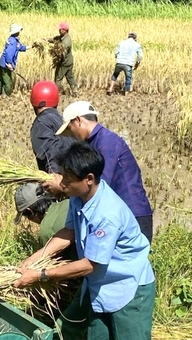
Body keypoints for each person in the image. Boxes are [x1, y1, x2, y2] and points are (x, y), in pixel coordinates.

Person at [14, 143, 161, 340]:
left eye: (68, 179)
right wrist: (37, 257)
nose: (62, 184)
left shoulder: (107, 212)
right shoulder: (79, 198)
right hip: (101, 288)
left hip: (128, 289)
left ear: (89, 179)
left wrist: (41, 275)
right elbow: (70, 231)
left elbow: (90, 264)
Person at [55, 100, 154, 242]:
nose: (71, 135)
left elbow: (98, 185)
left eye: (70, 129)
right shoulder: (94, 143)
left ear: (78, 120)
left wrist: (60, 186)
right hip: (117, 218)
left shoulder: (107, 143)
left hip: (133, 215)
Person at [0, 23, 27, 96]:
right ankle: (6, 94)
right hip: (6, 64)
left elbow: (20, 47)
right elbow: (8, 53)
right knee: (7, 80)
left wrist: (30, 47)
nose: (19, 32)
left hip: (2, 62)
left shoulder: (13, 39)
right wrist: (9, 64)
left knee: (0, 78)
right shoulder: (13, 41)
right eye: (18, 31)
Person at [49, 22, 77, 96]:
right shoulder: (61, 37)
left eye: (60, 29)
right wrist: (48, 40)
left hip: (64, 63)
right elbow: (55, 39)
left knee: (58, 78)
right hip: (69, 62)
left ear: (65, 30)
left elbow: (61, 51)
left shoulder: (67, 41)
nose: (59, 30)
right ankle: (75, 91)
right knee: (70, 77)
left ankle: (56, 93)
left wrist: (53, 51)